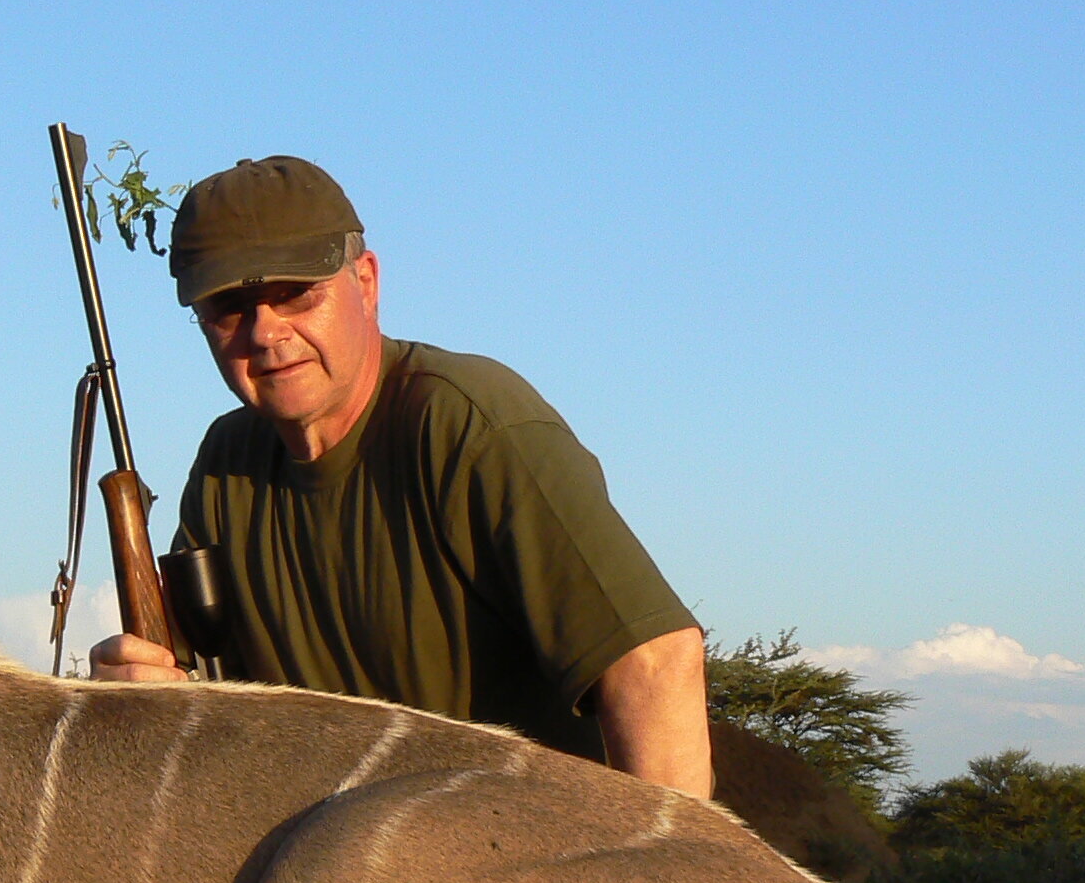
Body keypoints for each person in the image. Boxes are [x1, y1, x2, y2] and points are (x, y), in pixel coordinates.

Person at [90, 156, 713, 797]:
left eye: (296, 294)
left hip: (515, 864)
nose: (265, 332)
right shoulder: (225, 465)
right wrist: (134, 691)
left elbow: (656, 661)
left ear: (366, 281)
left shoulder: (470, 422)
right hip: (325, 867)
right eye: (228, 307)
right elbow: (194, 694)